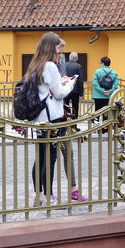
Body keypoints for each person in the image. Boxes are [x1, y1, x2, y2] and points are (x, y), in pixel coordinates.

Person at [23, 33, 76, 204]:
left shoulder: (35, 64)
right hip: (51, 117)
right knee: (50, 157)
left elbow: (45, 90)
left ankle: (38, 195)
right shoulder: (50, 66)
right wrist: (70, 84)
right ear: (52, 47)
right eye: (59, 49)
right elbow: (59, 93)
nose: (60, 53)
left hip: (38, 118)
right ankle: (47, 196)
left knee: (40, 157)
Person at [63, 51, 84, 124]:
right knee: (75, 107)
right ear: (77, 59)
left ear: (69, 57)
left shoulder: (64, 65)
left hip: (65, 89)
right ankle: (74, 125)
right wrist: (81, 94)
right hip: (75, 90)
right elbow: (80, 80)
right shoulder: (78, 66)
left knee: (65, 107)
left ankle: (65, 124)